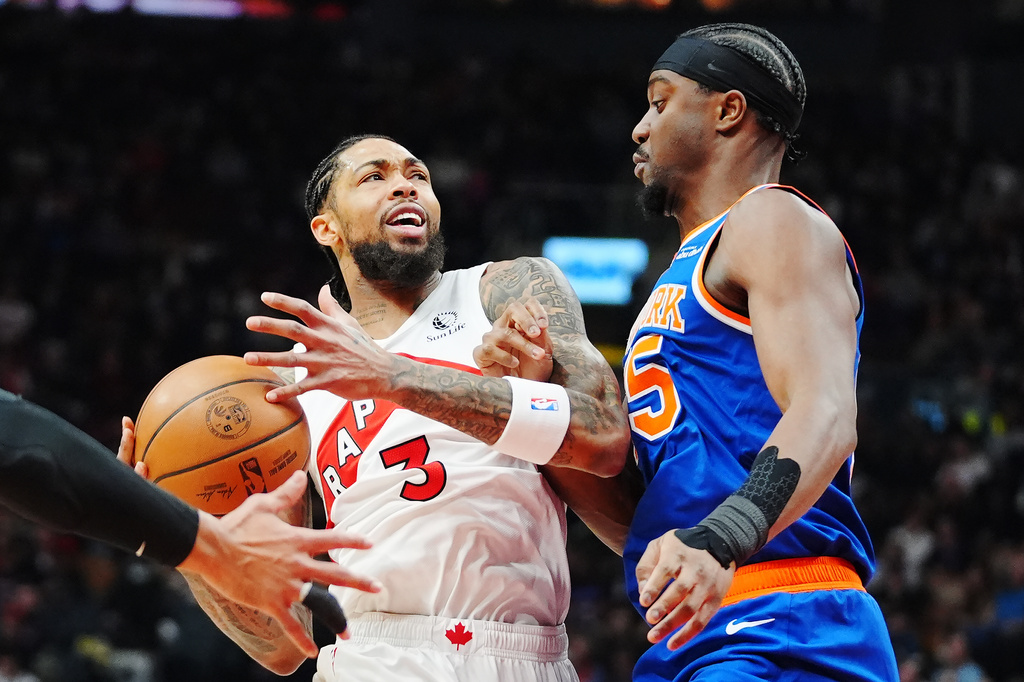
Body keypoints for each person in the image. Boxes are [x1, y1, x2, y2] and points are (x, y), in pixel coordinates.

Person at [119, 134, 632, 681]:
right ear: (327, 227)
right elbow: (279, 643)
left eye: (418, 176)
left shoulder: (501, 290)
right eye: (375, 176)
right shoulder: (289, 383)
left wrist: (393, 378)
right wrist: (175, 534)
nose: (405, 185)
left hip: (521, 651)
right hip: (370, 654)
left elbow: (603, 437)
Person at [481, 22, 898, 682]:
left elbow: (825, 411)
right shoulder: (682, 276)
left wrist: (723, 536)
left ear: (728, 110)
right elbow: (645, 520)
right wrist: (541, 405)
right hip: (697, 623)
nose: (639, 130)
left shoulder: (773, 219)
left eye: (660, 100)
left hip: (785, 616)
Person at [0, 388, 380, 658]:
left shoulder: (294, 385)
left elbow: (284, 649)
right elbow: (280, 649)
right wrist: (164, 516)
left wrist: (157, 516)